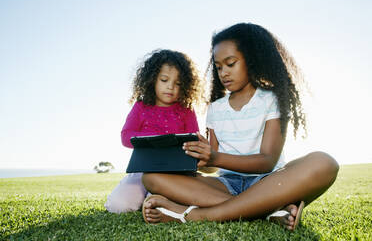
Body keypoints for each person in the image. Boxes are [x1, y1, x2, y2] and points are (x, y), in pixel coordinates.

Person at [141, 23, 339, 230]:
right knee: (152, 177)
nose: (223, 72)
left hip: (268, 182)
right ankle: (267, 210)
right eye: (218, 67)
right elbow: (212, 166)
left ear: (252, 61)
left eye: (231, 63)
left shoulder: (272, 100)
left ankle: (193, 215)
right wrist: (200, 157)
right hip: (226, 185)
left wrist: (215, 157)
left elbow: (267, 161)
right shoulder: (216, 109)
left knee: (324, 162)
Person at [105, 49, 204, 213]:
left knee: (160, 207)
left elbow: (194, 140)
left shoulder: (186, 110)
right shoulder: (141, 106)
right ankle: (140, 197)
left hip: (174, 174)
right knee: (119, 206)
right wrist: (158, 139)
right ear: (152, 80)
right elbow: (126, 136)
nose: (170, 87)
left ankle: (153, 199)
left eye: (178, 83)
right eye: (164, 80)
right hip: (141, 171)